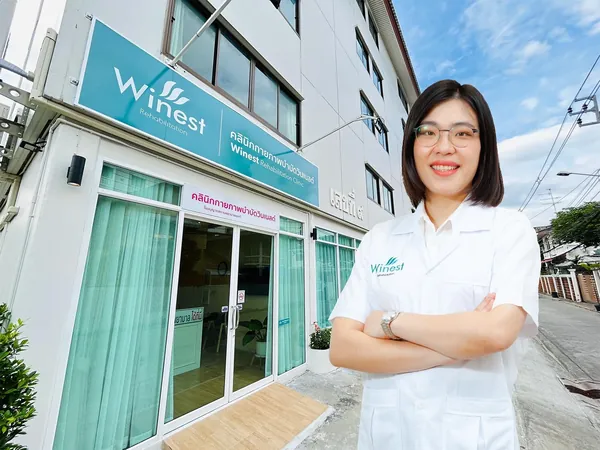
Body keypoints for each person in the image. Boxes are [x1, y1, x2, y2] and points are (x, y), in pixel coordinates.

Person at [328, 79, 541, 450]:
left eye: (463, 133)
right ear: (411, 146)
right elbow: (343, 348)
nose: (444, 146)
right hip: (387, 437)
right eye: (428, 132)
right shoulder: (379, 238)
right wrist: (460, 342)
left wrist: (389, 322)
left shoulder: (509, 230)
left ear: (484, 148)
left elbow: (495, 334)